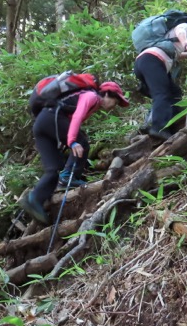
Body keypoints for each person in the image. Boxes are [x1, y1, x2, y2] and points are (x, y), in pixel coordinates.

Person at [21, 82, 129, 224]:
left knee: (54, 168)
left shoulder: (90, 100)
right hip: (51, 118)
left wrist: (65, 141)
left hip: (42, 124)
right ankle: (68, 177)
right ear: (108, 94)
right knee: (82, 142)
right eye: (115, 102)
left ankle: (35, 199)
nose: (113, 107)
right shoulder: (92, 96)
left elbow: (69, 121)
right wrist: (72, 141)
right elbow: (77, 117)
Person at [134, 22, 187, 141]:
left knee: (175, 93)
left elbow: (175, 55)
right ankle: (159, 128)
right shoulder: (186, 27)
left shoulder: (170, 43)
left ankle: (171, 123)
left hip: (148, 61)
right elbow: (180, 31)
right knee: (162, 94)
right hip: (152, 60)